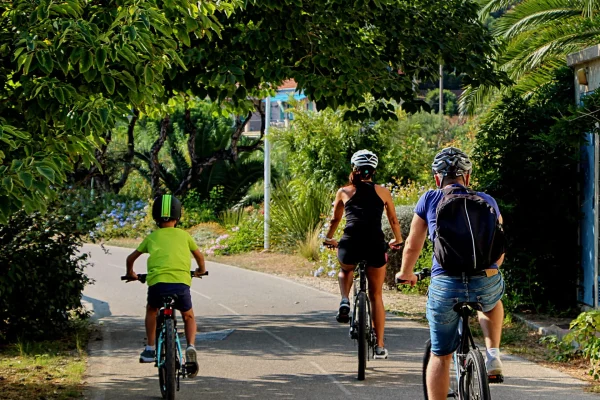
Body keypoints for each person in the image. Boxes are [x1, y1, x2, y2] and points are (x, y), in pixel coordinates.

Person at [396, 147, 505, 400]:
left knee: (441, 354)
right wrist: (491, 268)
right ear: (467, 177)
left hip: (446, 283)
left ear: (437, 177)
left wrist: (405, 272)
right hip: (485, 279)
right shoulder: (487, 200)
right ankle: (493, 354)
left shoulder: (430, 199)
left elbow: (413, 244)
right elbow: (500, 247)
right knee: (492, 303)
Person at [324, 149, 404, 359]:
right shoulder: (383, 192)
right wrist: (398, 239)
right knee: (376, 295)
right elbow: (394, 220)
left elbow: (335, 220)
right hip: (375, 244)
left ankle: (344, 300)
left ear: (354, 168)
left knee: (346, 268)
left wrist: (328, 238)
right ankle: (379, 345)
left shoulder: (344, 191)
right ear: (373, 171)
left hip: (350, 241)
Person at [124, 194, 206, 378]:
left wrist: (131, 273)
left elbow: (130, 258)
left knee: (152, 310)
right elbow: (200, 257)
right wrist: (200, 270)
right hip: (180, 284)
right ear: (178, 217)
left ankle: (150, 347)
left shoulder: (152, 237)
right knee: (188, 315)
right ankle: (191, 346)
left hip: (158, 285)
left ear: (155, 217)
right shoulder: (184, 236)